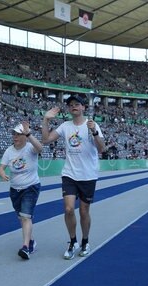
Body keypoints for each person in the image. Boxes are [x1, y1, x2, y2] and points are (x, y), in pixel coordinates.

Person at [41, 94, 105, 259]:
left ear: (83, 107)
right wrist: (46, 120)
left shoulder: (92, 125)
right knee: (69, 209)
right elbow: (46, 140)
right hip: (69, 174)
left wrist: (95, 132)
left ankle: (85, 241)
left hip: (88, 175)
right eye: (71, 105)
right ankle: (73, 241)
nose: (74, 107)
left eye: (77, 104)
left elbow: (101, 149)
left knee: (84, 211)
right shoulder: (65, 126)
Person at [0, 121, 43, 260]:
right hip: (14, 190)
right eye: (14, 134)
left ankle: (25, 247)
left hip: (31, 187)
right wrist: (2, 173)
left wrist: (29, 134)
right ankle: (31, 241)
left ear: (25, 136)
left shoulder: (30, 148)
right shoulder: (9, 151)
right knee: (22, 218)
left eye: (18, 134)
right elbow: (1, 167)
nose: (15, 137)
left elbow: (40, 147)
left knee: (25, 217)